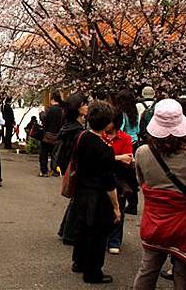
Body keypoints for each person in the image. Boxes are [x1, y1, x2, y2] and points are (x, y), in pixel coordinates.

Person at [132, 99, 186, 290]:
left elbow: (141, 181)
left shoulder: (142, 152)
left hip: (154, 221)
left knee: (148, 268)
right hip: (185, 224)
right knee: (184, 274)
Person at [71, 100, 120, 284]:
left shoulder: (82, 137)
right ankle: (93, 272)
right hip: (98, 196)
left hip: (82, 191)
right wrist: (116, 207)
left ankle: (79, 262)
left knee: (82, 229)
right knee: (98, 235)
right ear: (107, 123)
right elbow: (109, 183)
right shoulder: (105, 149)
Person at [56, 93, 89, 245]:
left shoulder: (69, 126)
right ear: (77, 108)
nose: (87, 106)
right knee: (77, 200)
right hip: (75, 167)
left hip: (69, 166)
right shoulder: (76, 131)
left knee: (75, 199)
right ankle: (69, 234)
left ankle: (65, 230)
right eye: (84, 104)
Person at [103, 111, 134, 255]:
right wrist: (117, 157)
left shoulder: (125, 138)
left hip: (119, 178)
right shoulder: (100, 136)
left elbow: (128, 159)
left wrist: (111, 158)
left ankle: (114, 240)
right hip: (103, 176)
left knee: (119, 208)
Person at [39, 91, 64, 177]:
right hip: (57, 135)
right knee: (55, 154)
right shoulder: (61, 110)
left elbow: (44, 118)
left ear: (52, 99)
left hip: (47, 135)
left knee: (44, 154)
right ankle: (55, 170)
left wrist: (41, 112)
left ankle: (44, 171)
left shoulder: (50, 110)